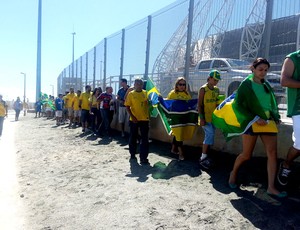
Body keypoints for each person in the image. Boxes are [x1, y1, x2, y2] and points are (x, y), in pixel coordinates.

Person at [228, 58, 286, 197]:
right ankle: (233, 173)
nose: (263, 73)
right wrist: (255, 118)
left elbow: (271, 103)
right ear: (253, 68)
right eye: (260, 69)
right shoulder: (246, 84)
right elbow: (238, 105)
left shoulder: (266, 84)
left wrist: (275, 116)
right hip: (251, 123)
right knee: (246, 155)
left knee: (272, 153)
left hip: (267, 122)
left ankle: (271, 187)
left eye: (266, 70)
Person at [277, 50, 300, 186]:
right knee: (299, 143)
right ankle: (286, 165)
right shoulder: (293, 58)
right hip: (298, 106)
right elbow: (284, 80)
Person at [198, 70, 221, 169]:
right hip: (205, 118)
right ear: (209, 78)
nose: (216, 82)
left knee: (210, 136)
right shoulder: (203, 89)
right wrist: (202, 118)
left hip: (213, 117)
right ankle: (203, 157)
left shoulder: (216, 90)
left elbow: (216, 102)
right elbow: (199, 104)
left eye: (217, 80)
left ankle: (206, 155)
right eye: (214, 79)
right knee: (209, 135)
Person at [125, 78, 150, 164]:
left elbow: (150, 103)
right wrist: (133, 116)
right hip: (134, 120)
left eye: (140, 84)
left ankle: (143, 157)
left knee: (145, 139)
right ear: (134, 85)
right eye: (137, 83)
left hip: (144, 119)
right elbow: (127, 106)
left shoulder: (146, 93)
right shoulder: (131, 94)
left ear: (142, 85)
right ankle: (132, 153)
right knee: (133, 137)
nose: (139, 85)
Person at [167, 77, 192, 160]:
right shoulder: (172, 94)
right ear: (176, 85)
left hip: (183, 118)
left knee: (178, 134)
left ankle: (173, 149)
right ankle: (181, 153)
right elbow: (168, 105)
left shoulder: (187, 94)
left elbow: (190, 106)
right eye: (180, 84)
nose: (182, 86)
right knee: (179, 135)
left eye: (183, 84)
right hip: (175, 119)